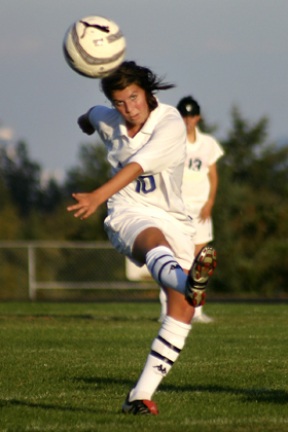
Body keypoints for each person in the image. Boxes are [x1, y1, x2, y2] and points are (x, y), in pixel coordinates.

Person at [67, 62, 216, 416]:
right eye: (119, 102)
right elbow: (90, 115)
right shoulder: (110, 117)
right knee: (152, 242)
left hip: (174, 219)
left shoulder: (169, 124)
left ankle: (139, 396)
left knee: (183, 308)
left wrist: (94, 195)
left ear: (147, 94)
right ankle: (187, 281)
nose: (128, 108)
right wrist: (87, 123)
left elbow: (135, 166)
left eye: (133, 97)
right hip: (128, 211)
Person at [159, 96, 224, 324]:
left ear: (198, 117)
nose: (188, 120)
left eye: (191, 116)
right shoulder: (172, 142)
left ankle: (196, 311)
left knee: (200, 261)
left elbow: (213, 176)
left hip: (200, 210)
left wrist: (209, 203)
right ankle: (167, 309)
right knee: (174, 258)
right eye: (184, 116)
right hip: (177, 209)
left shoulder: (208, 144)